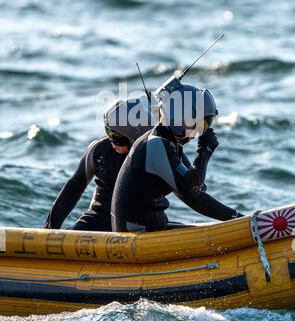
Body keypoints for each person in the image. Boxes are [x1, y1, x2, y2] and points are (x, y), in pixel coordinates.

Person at [111, 80, 243, 232]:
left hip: (147, 227)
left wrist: (238, 219)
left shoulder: (166, 142)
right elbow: (192, 191)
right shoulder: (156, 145)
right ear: (181, 119)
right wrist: (204, 151)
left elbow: (196, 191)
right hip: (136, 233)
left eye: (206, 126)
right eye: (200, 125)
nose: (199, 133)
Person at [44, 96, 154, 231]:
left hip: (142, 227)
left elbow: (183, 187)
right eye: (109, 133)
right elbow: (73, 188)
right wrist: (50, 230)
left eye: (117, 138)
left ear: (137, 137)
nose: (112, 143)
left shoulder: (156, 154)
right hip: (96, 222)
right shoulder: (99, 150)